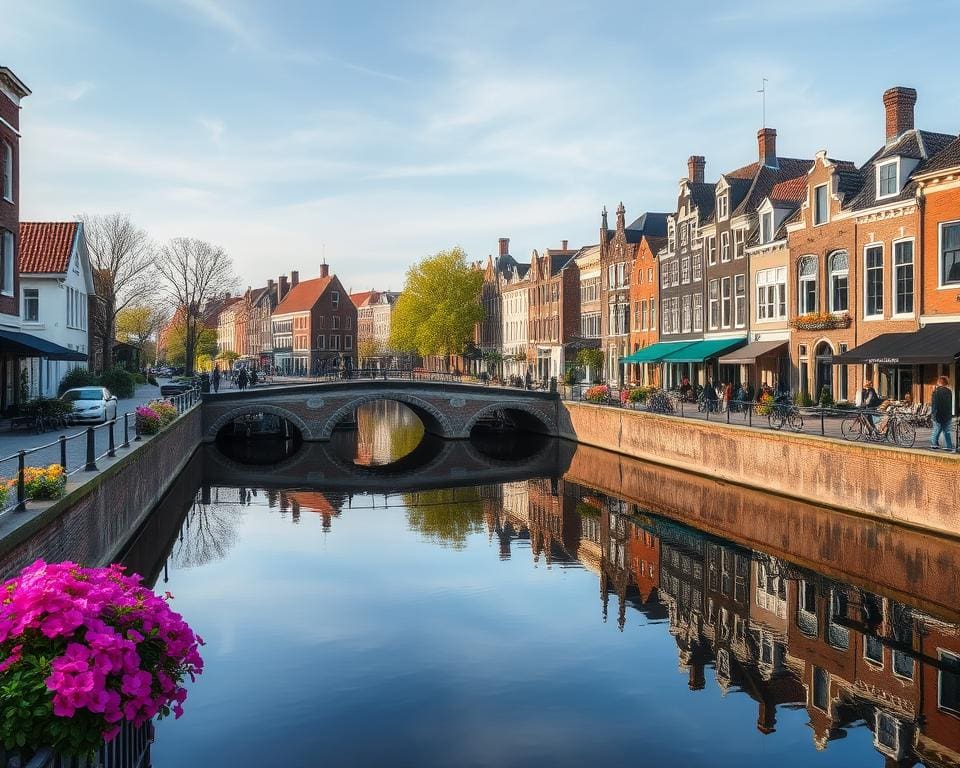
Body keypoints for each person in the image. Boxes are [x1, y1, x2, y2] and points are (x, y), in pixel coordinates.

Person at [930, 376, 954, 450]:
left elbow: (935, 404)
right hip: (947, 414)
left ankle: (934, 444)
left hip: (938, 414)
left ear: (939, 382)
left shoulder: (936, 391)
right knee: (947, 431)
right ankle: (949, 446)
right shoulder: (949, 391)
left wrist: (933, 414)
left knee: (936, 429)